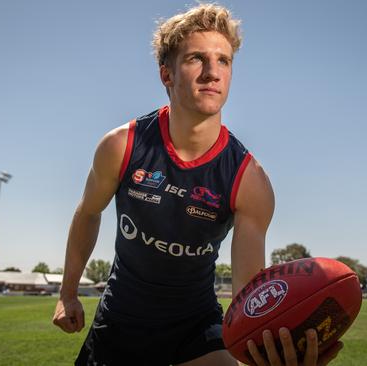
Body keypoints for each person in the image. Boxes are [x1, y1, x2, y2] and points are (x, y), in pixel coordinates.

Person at [52, 4, 342, 366]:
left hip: (196, 326)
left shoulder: (249, 180)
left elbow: (247, 297)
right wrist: (67, 293)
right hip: (121, 321)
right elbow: (88, 212)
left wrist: (274, 349)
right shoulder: (122, 145)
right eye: (196, 58)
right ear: (166, 74)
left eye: (224, 60)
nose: (212, 72)